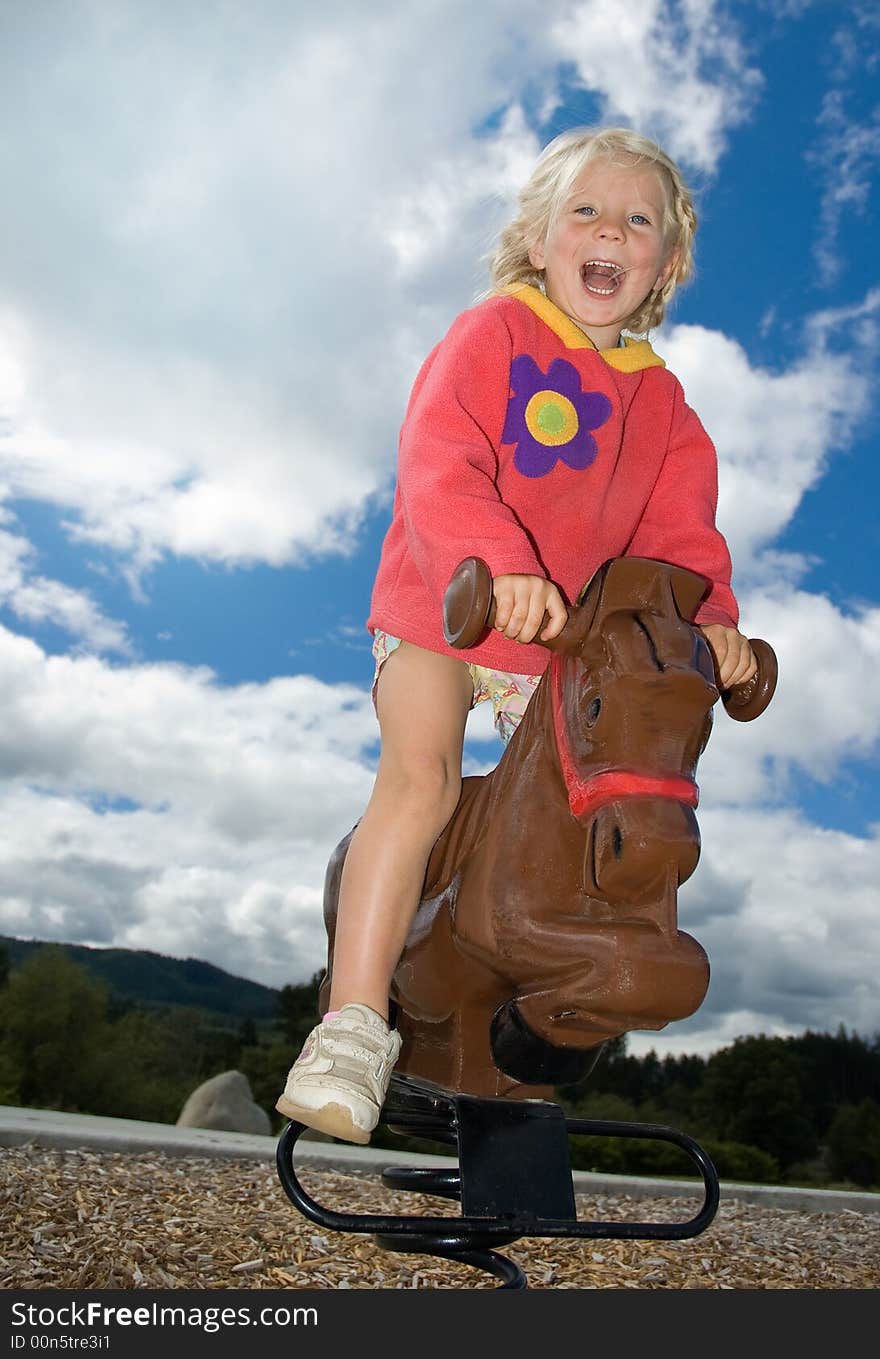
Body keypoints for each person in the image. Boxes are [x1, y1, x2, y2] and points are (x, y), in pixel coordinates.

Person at [275, 125, 757, 1144]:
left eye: (638, 222)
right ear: (538, 239)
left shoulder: (665, 408)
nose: (609, 232)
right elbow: (439, 456)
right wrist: (496, 564)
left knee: (593, 801)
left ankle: (549, 998)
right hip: (449, 604)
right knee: (422, 780)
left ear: (663, 265)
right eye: (586, 210)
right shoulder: (493, 333)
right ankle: (353, 1024)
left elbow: (681, 540)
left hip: (558, 646)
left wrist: (712, 622)